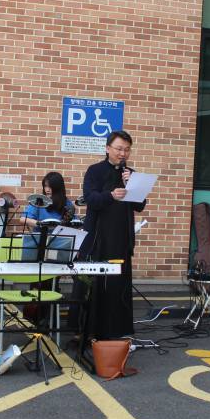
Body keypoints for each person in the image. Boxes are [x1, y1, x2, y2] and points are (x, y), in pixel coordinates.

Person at [76, 131, 146, 340]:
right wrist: (111, 195)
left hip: (122, 238)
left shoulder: (131, 174)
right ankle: (89, 330)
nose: (123, 154)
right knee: (96, 284)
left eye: (127, 150)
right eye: (119, 149)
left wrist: (132, 185)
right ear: (108, 149)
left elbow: (140, 205)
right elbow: (90, 198)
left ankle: (117, 329)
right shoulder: (95, 171)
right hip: (98, 238)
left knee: (118, 285)